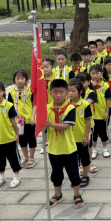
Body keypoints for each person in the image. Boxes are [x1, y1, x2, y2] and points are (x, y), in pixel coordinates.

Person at [45, 79, 84, 209]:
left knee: (73, 173)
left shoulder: (70, 108)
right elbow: (42, 126)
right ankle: (57, 195)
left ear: (66, 93)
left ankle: (77, 194)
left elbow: (66, 126)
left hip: (69, 148)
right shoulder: (47, 108)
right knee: (56, 174)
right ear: (50, 93)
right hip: (53, 149)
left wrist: (50, 124)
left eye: (61, 92)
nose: (58, 95)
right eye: (55, 92)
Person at [8, 70, 36, 169]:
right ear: (14, 80)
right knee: (21, 140)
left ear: (26, 79)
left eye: (22, 78)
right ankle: (25, 157)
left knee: (31, 139)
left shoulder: (30, 90)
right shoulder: (11, 91)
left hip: (29, 119)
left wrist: (33, 116)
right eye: (17, 78)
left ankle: (32, 157)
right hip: (18, 121)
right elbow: (9, 106)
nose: (20, 80)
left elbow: (35, 104)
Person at [68, 79, 93, 189]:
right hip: (70, 137)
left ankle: (85, 175)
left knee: (84, 157)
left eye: (73, 91)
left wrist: (86, 136)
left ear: (80, 92)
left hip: (82, 136)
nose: (70, 93)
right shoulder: (66, 104)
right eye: (69, 91)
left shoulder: (85, 104)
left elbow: (88, 121)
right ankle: (76, 176)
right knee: (73, 159)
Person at [90, 64, 111, 159]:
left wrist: (107, 112)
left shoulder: (105, 85)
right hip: (91, 115)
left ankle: (105, 149)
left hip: (102, 114)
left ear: (102, 73)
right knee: (93, 134)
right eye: (93, 73)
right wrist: (92, 87)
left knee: (103, 133)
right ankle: (94, 150)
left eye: (97, 73)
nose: (95, 75)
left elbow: (108, 99)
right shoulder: (88, 85)